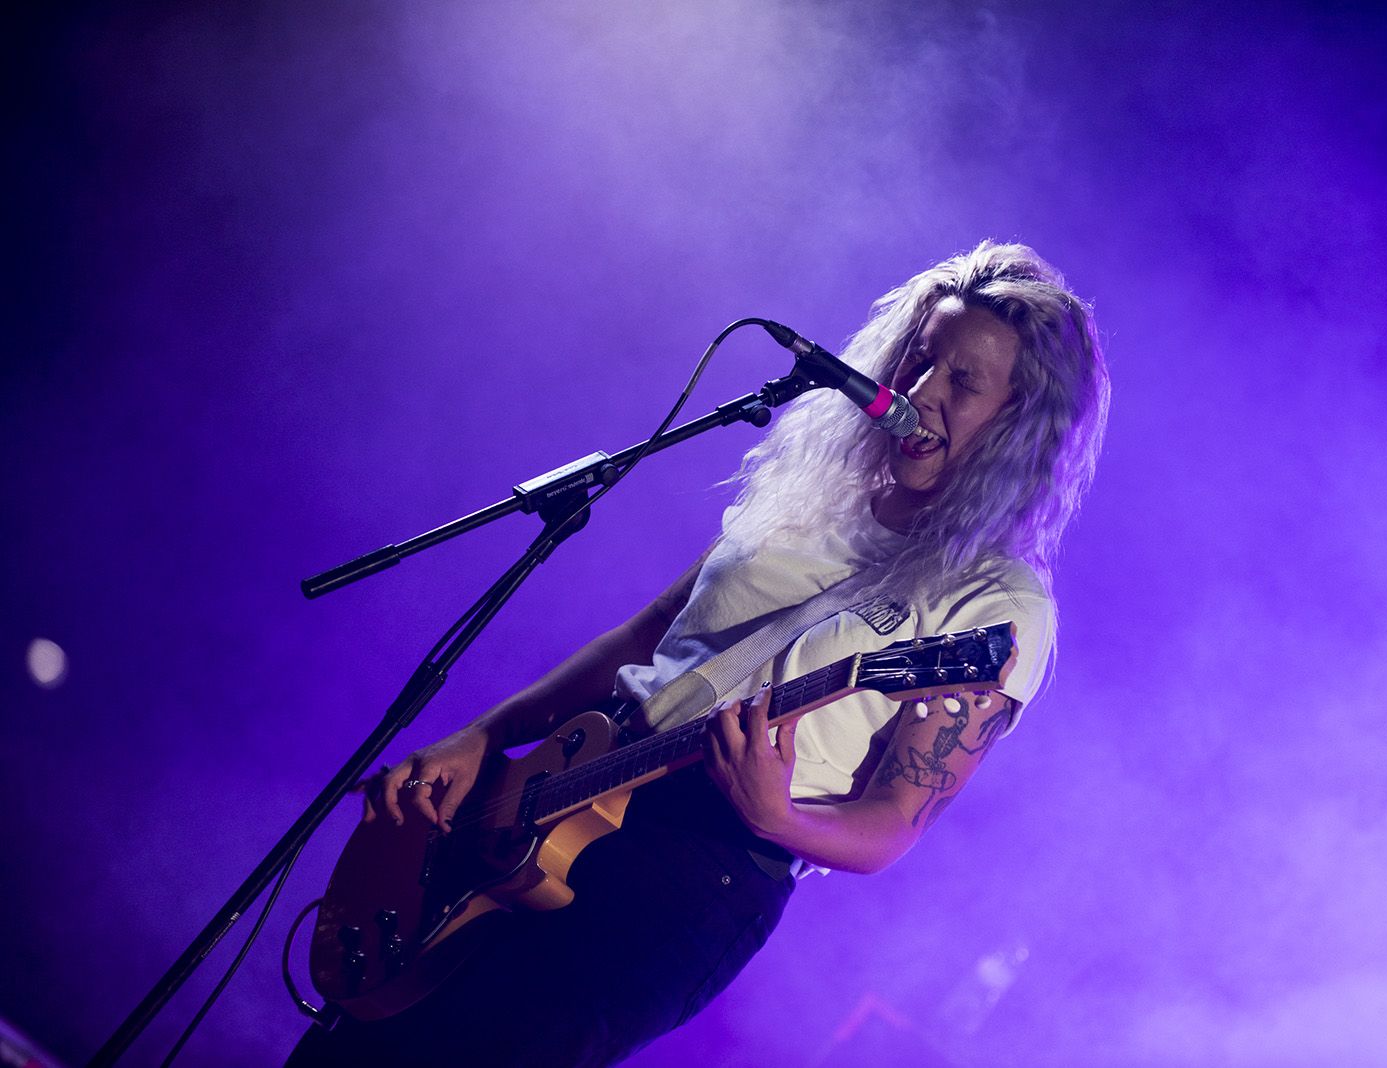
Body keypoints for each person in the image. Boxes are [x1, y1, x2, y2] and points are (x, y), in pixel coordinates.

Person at [287, 241, 1109, 1067]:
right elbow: (644, 636)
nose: (921, 391)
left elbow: (895, 822)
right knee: (355, 1044)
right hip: (567, 772)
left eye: (962, 381)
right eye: (920, 358)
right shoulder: (816, 491)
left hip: (697, 859)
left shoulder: (995, 604)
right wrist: (484, 737)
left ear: (1020, 425)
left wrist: (779, 816)